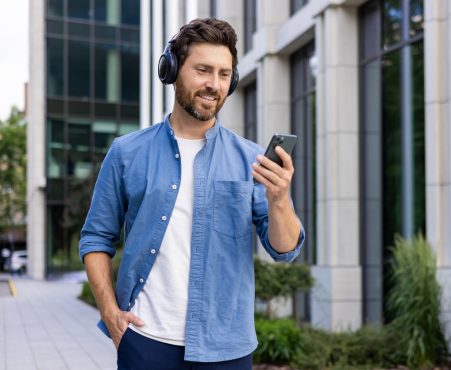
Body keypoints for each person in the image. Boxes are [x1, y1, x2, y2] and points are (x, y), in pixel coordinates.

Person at [79, 18, 305, 370]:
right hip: (145, 341)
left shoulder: (251, 159)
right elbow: (96, 238)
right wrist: (110, 314)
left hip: (227, 348)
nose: (214, 85)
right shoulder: (127, 153)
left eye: (224, 74)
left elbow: (285, 250)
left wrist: (280, 200)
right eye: (203, 70)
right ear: (172, 69)